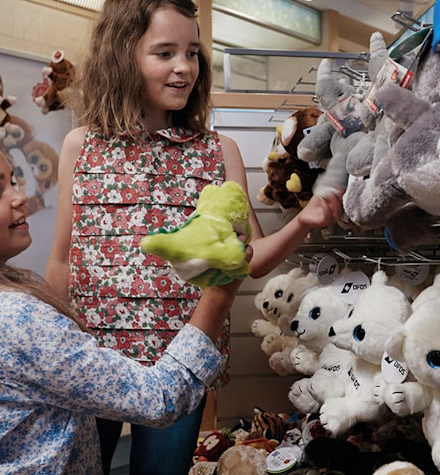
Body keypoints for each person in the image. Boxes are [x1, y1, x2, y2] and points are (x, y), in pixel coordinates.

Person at [43, 0, 345, 473]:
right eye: (164, 53)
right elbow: (62, 259)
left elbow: (253, 258)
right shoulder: (80, 145)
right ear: (123, 55)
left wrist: (303, 222)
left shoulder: (217, 151)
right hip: (91, 361)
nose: (184, 67)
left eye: (192, 52)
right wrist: (52, 352)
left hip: (180, 360)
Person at [0, 126, 244, 473]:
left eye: (14, 181)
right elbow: (158, 399)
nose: (20, 197)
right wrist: (219, 290)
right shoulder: (17, 319)